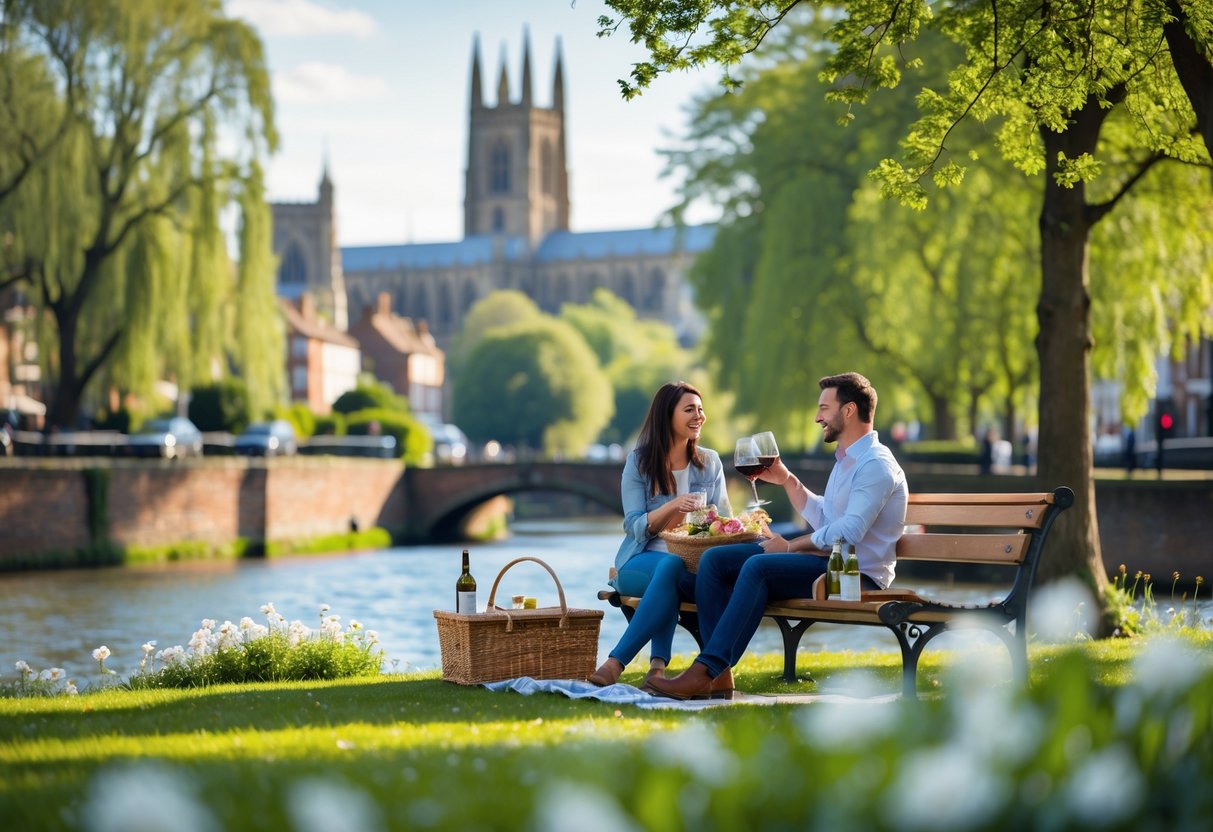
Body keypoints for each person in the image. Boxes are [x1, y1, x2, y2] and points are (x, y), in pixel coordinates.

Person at [645, 372, 908, 700]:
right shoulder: (847, 461)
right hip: (829, 563)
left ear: (850, 410)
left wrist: (791, 545)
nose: (817, 417)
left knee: (758, 567)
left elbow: (850, 531)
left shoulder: (876, 465)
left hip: (854, 575)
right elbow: (827, 517)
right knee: (714, 561)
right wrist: (787, 480)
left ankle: (704, 671)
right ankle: (719, 676)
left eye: (824, 408)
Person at [588, 381, 732, 690]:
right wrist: (673, 507)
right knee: (669, 566)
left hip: (692, 567)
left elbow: (724, 522)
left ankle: (654, 669)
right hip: (638, 561)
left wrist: (713, 522)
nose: (700, 416)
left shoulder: (710, 463)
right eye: (690, 409)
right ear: (667, 416)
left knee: (674, 568)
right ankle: (620, 662)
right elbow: (635, 526)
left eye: (701, 409)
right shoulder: (639, 463)